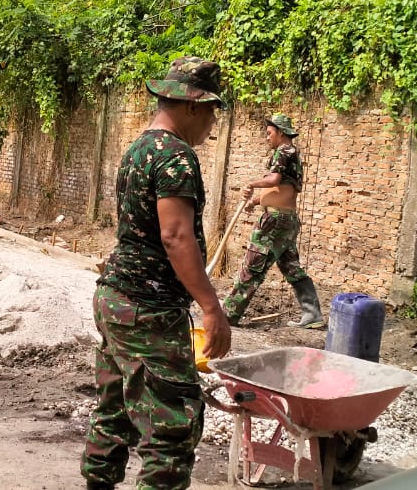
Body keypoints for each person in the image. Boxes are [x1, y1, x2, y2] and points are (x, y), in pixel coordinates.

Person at [82, 56, 232, 490]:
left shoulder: (138, 150)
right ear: (191, 106)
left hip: (115, 299)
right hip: (147, 310)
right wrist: (211, 307)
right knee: (172, 430)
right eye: (210, 111)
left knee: (113, 410)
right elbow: (176, 236)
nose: (211, 122)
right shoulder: (176, 157)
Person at [222, 113, 323, 329]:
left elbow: (274, 180)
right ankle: (312, 313)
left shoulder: (284, 150)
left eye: (269, 133)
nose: (267, 138)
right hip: (287, 219)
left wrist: (252, 183)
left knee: (252, 265)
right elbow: (282, 189)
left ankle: (228, 315)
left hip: (275, 221)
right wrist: (258, 200)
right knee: (292, 267)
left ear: (280, 132)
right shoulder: (292, 154)